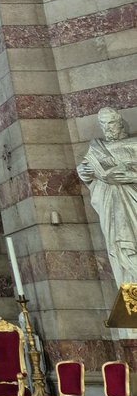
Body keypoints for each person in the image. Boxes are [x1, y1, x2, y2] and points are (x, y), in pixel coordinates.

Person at [77, 107, 137, 288]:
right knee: (120, 245)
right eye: (103, 124)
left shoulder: (135, 144)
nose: (107, 128)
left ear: (120, 123)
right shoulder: (97, 148)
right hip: (112, 205)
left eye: (111, 123)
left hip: (132, 199)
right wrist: (84, 172)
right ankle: (130, 285)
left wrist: (132, 177)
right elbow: (90, 172)